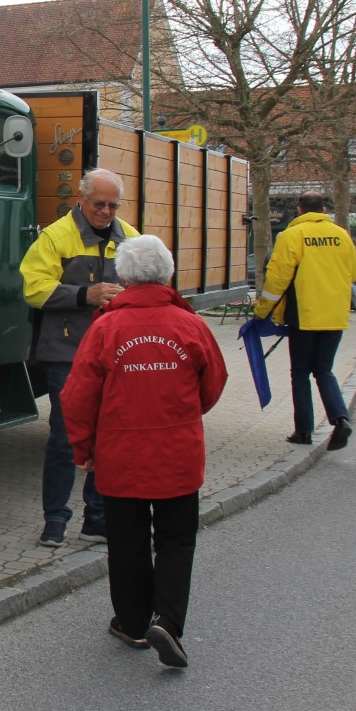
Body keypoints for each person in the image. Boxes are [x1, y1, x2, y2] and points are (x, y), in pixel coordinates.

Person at [61, 235, 227, 669]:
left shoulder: (105, 328)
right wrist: (186, 415)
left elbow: (77, 397)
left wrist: (84, 448)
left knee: (127, 542)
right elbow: (213, 384)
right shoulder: (189, 325)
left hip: (121, 454)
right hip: (177, 453)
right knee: (176, 539)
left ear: (123, 277)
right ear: (168, 274)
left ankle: (133, 624)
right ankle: (168, 621)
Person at [20, 168, 139, 548]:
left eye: (113, 205)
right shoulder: (55, 236)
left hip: (115, 353)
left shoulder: (132, 239)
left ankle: (97, 517)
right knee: (64, 437)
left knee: (108, 437)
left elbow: (151, 283)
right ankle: (55, 520)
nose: (107, 212)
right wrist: (84, 295)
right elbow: (33, 289)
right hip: (67, 351)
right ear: (82, 199)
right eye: (100, 204)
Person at [254, 191, 356, 450]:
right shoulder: (342, 235)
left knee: (300, 373)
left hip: (304, 314)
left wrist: (262, 311)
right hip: (335, 315)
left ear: (299, 210)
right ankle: (340, 418)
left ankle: (303, 431)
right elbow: (353, 272)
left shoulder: (291, 236)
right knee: (324, 370)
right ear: (324, 209)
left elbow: (277, 279)